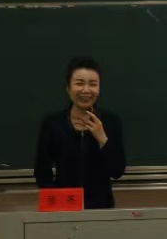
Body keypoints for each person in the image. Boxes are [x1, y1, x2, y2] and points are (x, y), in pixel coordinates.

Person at [34, 56, 126, 209]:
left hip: (101, 209)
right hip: (63, 208)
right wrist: (57, 201)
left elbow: (117, 171)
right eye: (79, 83)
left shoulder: (111, 121)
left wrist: (102, 138)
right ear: (68, 88)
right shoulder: (52, 123)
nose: (86, 90)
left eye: (93, 84)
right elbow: (42, 173)